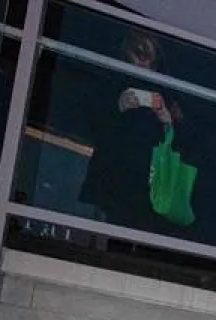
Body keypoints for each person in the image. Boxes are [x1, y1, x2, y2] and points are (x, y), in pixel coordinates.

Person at [81, 30, 183, 232]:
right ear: (125, 55)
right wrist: (118, 107)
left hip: (151, 182)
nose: (143, 63)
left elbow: (184, 144)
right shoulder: (112, 83)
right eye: (138, 54)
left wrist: (168, 122)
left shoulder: (166, 92)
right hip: (116, 178)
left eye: (148, 57)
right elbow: (93, 125)